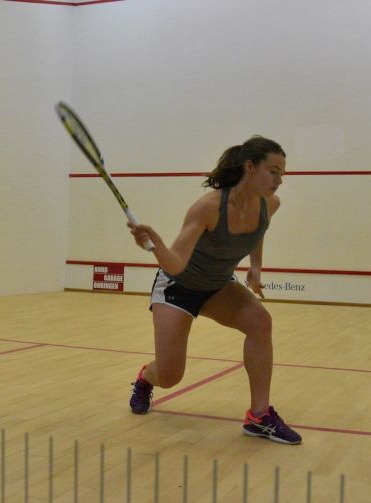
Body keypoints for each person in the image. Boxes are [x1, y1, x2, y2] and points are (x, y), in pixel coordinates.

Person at [127, 135, 301, 444]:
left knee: (261, 322)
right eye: (273, 171)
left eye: (282, 173)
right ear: (250, 167)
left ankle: (259, 416)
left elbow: (258, 231)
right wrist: (156, 245)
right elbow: (176, 264)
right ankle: (145, 378)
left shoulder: (269, 205)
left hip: (218, 286)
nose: (279, 180)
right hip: (177, 287)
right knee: (170, 376)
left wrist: (255, 267)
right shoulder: (208, 207)